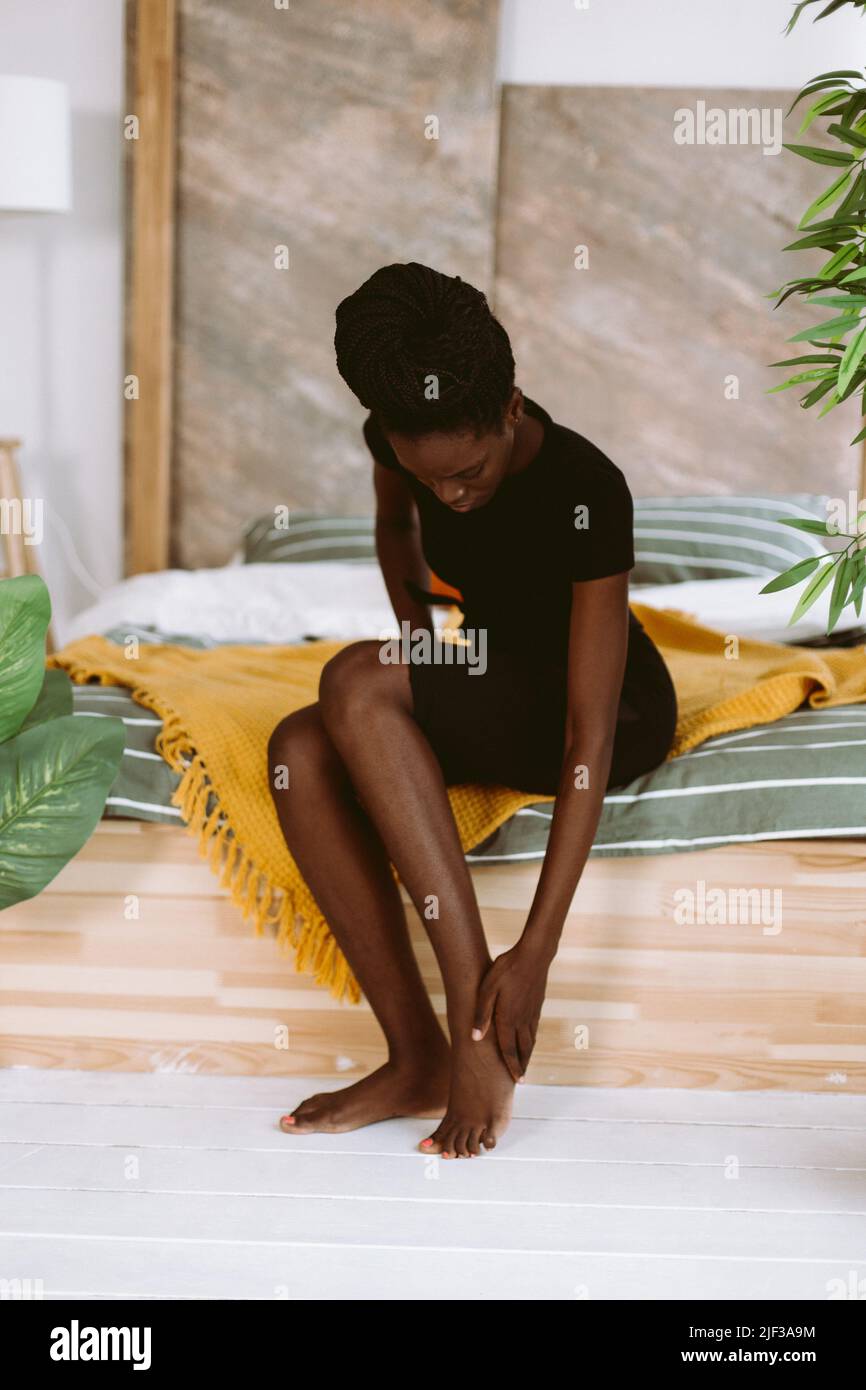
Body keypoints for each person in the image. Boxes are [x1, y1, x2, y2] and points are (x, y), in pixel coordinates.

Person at [268, 262, 677, 1158]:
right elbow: (393, 531)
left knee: (353, 679)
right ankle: (415, 1057)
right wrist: (418, 640)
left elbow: (590, 732)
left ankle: (476, 1029)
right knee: (299, 743)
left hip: (606, 710)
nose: (452, 493)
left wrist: (534, 954)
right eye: (433, 479)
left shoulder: (586, 487)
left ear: (511, 405)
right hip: (492, 678)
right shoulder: (396, 439)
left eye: (472, 470)